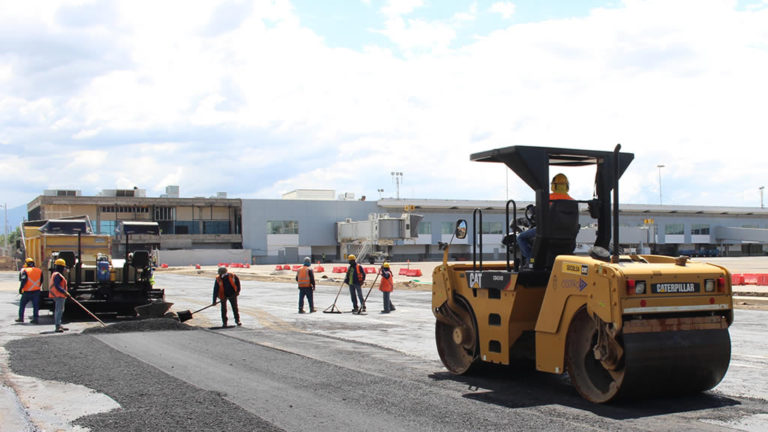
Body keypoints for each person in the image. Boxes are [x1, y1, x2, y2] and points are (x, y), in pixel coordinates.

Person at [518, 173, 574, 262]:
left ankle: (530, 261)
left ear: (553, 185)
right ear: (567, 185)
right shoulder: (572, 201)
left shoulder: (548, 198)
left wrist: (533, 211)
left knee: (521, 237)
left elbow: (539, 214)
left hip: (548, 231)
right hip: (567, 234)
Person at [16, 258, 43, 324]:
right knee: (35, 306)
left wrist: (20, 289)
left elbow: (23, 281)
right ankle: (35, 319)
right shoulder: (39, 270)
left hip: (27, 291)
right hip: (36, 291)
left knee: (22, 305)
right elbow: (41, 280)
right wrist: (37, 286)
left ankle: (21, 318)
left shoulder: (26, 271)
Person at [49, 258, 69, 333]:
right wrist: (64, 291)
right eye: (63, 267)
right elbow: (57, 286)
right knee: (59, 311)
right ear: (61, 267)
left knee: (60, 310)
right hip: (58, 295)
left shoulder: (56, 274)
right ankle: (57, 326)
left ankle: (59, 324)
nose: (64, 268)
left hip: (58, 295)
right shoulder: (57, 275)